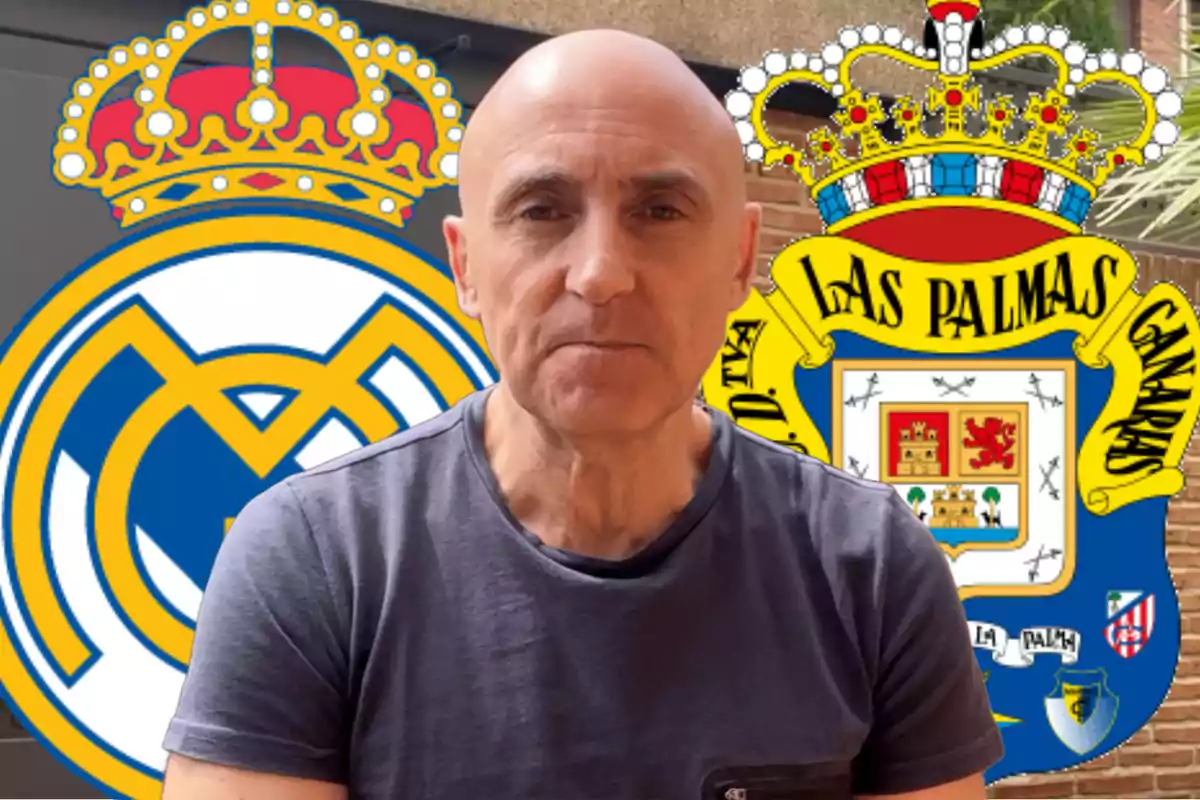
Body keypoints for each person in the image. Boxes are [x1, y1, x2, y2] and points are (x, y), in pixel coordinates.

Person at [161, 28, 1002, 800]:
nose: (600, 273)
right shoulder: (315, 561)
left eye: (660, 212)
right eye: (542, 211)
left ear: (741, 259)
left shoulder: (872, 569)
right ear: (465, 266)